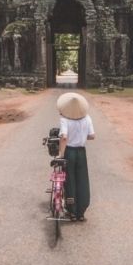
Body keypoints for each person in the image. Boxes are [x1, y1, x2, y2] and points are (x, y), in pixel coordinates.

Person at [56, 92, 95, 222]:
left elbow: (64, 137)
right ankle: (81, 212)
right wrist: (82, 137)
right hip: (81, 152)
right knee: (82, 180)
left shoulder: (65, 119)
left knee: (70, 180)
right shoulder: (87, 118)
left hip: (70, 152)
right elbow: (92, 136)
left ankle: (71, 211)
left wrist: (61, 154)